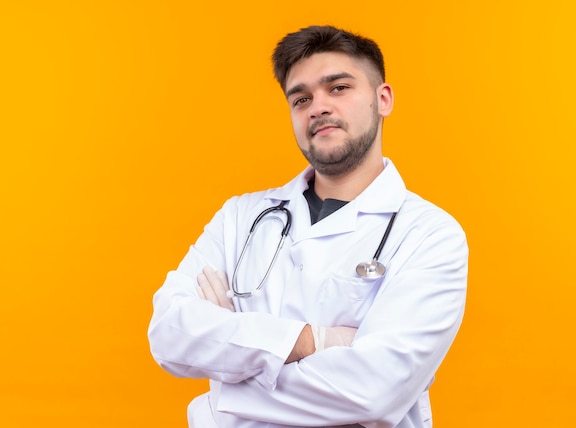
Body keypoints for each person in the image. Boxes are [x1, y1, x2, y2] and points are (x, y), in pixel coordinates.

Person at [148, 25, 468, 428]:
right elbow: (169, 334)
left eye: (338, 88)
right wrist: (316, 340)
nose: (317, 107)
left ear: (382, 99)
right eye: (301, 98)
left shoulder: (430, 235)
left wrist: (223, 385)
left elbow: (373, 392)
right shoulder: (239, 218)